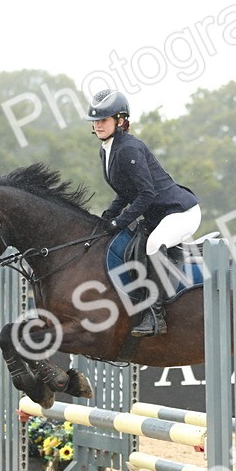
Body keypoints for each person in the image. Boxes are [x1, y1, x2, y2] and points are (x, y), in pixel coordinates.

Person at [87, 89, 201, 337]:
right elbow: (125, 192)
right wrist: (107, 217)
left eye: (103, 120)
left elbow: (146, 193)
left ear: (120, 120)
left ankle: (155, 316)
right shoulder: (107, 149)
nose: (98, 125)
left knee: (154, 244)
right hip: (158, 215)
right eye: (95, 121)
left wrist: (120, 221)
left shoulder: (129, 149)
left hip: (180, 212)